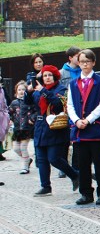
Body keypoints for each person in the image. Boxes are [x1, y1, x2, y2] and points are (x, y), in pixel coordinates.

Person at [26, 65, 80, 196]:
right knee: (42, 159)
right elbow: (29, 103)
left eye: (50, 75)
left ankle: (75, 175)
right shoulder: (38, 90)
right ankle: (45, 186)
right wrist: (29, 91)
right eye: (45, 75)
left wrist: (43, 90)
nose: (47, 78)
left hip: (56, 128)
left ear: (55, 76)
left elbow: (58, 103)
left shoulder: (61, 89)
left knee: (54, 158)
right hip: (40, 128)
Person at [67, 49, 100, 205]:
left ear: (93, 63)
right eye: (82, 61)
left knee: (99, 163)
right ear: (78, 63)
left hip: (96, 128)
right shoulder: (73, 83)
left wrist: (89, 119)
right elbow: (70, 105)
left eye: (87, 61)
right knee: (83, 164)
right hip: (80, 129)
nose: (84, 64)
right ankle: (86, 193)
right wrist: (77, 120)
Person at [9, 81, 36, 174]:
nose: (21, 91)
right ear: (16, 91)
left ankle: (25, 167)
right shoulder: (14, 102)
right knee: (16, 148)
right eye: (19, 89)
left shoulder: (29, 102)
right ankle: (27, 159)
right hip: (17, 129)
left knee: (23, 148)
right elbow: (10, 112)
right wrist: (9, 120)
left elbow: (35, 111)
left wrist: (32, 119)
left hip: (26, 128)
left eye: (23, 89)